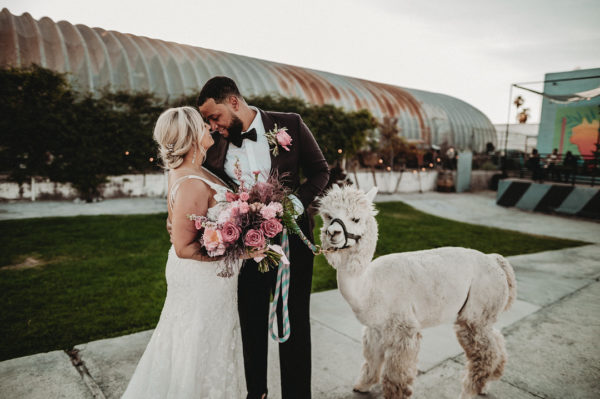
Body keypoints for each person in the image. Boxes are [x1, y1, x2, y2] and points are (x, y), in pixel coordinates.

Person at [197, 76, 329, 399]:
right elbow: (201, 186)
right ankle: (257, 394)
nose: (213, 127)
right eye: (207, 122)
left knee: (295, 325)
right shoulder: (214, 149)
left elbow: (321, 172)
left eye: (214, 117)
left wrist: (295, 204)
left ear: (233, 102)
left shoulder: (290, 126)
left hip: (293, 248)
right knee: (252, 327)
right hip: (245, 252)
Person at [122, 106, 259, 398]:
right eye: (202, 124)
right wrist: (242, 252)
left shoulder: (192, 170)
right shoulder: (192, 182)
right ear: (191, 135)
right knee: (199, 345)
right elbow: (184, 248)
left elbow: (178, 220)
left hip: (212, 280)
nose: (209, 127)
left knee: (202, 342)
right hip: (201, 281)